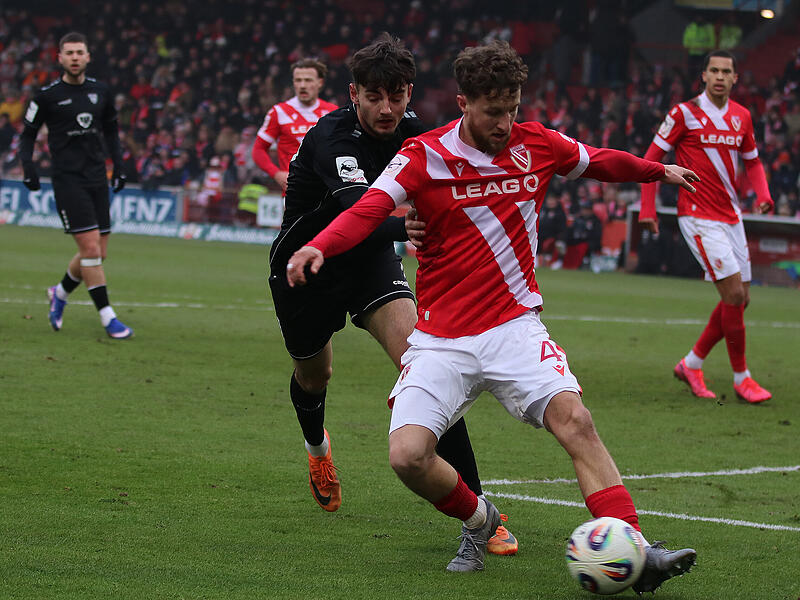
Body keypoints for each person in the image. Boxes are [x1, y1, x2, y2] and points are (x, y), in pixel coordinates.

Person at [286, 40, 698, 592]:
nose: (505, 122)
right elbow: (369, 209)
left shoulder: (538, 143)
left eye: (512, 109)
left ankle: (639, 551)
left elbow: (598, 160)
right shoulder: (424, 154)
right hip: (440, 339)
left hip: (514, 327)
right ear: (464, 103)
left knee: (576, 421)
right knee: (407, 457)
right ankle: (481, 520)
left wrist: (657, 171)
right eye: (493, 111)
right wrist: (321, 245)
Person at [269, 34, 518, 556]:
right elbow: (358, 213)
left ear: (410, 93)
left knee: (426, 368)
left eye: (397, 96)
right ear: (353, 94)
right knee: (315, 376)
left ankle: (479, 512)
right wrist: (409, 227)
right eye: (374, 97)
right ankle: (317, 448)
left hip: (371, 263)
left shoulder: (415, 133)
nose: (386, 109)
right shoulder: (331, 137)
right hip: (307, 266)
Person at [639, 50, 774, 404]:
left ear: (735, 78)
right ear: (703, 75)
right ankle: (742, 378)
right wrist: (648, 208)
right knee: (734, 295)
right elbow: (651, 160)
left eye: (726, 71)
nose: (719, 76)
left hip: (732, 216)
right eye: (713, 70)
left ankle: (691, 364)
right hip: (697, 215)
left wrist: (763, 194)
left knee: (741, 299)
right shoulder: (683, 113)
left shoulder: (742, 116)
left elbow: (753, 162)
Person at [19, 32, 132, 339]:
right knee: (91, 249)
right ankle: (109, 318)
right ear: (60, 58)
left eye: (79, 52)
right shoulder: (46, 96)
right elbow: (27, 135)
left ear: (88, 57)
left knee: (98, 253)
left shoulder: (101, 92)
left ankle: (59, 293)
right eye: (69, 53)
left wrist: (119, 166)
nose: (74, 57)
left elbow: (111, 131)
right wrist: (28, 167)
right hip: (68, 180)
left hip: (97, 178)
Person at [252, 58, 338, 193]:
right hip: (294, 192)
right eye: (298, 80)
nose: (302, 85)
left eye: (308, 80)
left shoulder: (333, 112)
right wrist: (276, 173)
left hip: (327, 191)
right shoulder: (278, 112)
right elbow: (258, 150)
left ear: (320, 83)